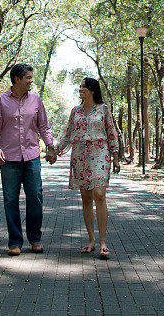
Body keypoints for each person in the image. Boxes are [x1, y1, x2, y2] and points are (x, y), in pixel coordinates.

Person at [46, 77, 120, 259]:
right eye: (79, 87)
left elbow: (111, 133)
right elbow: (67, 134)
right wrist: (55, 151)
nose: (80, 90)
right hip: (79, 157)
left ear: (92, 90)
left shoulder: (103, 109)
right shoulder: (75, 111)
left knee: (100, 195)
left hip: (100, 153)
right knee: (86, 198)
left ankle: (103, 242)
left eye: (83, 87)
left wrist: (116, 157)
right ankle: (91, 241)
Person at [0, 63, 56, 256]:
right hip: (8, 158)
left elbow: (43, 126)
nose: (31, 81)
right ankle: (15, 242)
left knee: (35, 196)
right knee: (10, 199)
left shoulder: (36, 100)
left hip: (32, 155)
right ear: (17, 79)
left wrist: (50, 147)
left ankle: (35, 238)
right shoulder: (1, 100)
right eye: (28, 77)